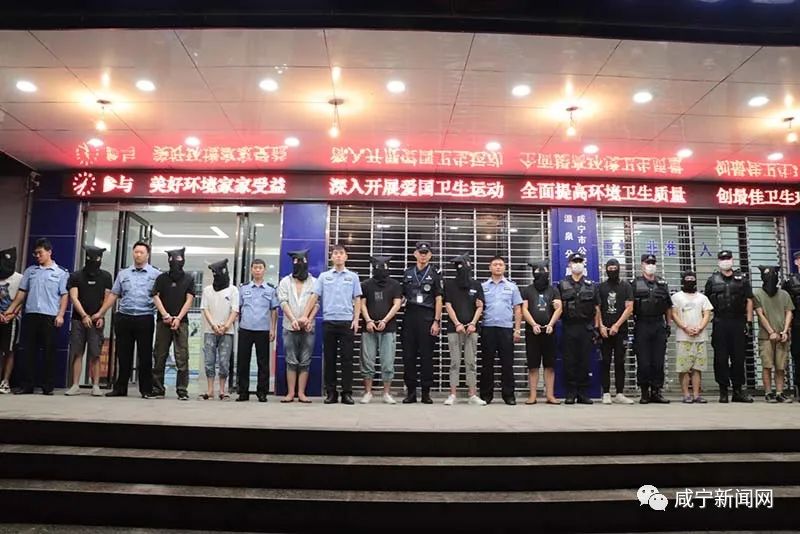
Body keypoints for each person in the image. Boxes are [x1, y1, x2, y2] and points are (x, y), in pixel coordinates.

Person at [93, 241, 160, 398]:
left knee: (145, 355)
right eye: (136, 252)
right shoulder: (123, 274)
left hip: (145, 317)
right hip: (124, 317)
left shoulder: (156, 274)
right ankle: (120, 388)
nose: (138, 255)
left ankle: (146, 389)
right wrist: (101, 313)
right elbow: (114, 294)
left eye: (141, 252)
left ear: (147, 255)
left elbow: (159, 297)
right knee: (123, 355)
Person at [3, 238, 68, 395]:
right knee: (28, 352)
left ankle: (47, 386)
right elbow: (21, 294)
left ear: (49, 252)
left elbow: (64, 295)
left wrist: (61, 315)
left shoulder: (61, 273)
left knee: (49, 352)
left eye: (40, 253)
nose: (37, 256)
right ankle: (27, 385)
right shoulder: (30, 271)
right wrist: (9, 311)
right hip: (31, 315)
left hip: (50, 316)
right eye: (35, 253)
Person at [303, 244, 361, 405]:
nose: (338, 256)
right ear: (331, 257)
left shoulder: (353, 277)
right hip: (329, 322)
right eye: (335, 253)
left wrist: (356, 319)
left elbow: (357, 299)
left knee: (347, 359)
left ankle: (347, 393)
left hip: (347, 322)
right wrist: (305, 316)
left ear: (346, 256)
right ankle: (331, 393)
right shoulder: (324, 277)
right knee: (330, 359)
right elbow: (314, 296)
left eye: (341, 253)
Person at [705, 250, 754, 403]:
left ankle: (738, 390)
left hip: (738, 321)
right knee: (720, 358)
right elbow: (706, 304)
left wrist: (749, 322)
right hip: (720, 322)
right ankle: (723, 390)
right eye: (722, 259)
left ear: (732, 260)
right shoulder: (712, 280)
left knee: (738, 358)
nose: (725, 261)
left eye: (728, 258)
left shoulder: (742, 279)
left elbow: (749, 300)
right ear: (718, 261)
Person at [65, 246, 113, 397]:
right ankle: (75, 385)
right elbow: (74, 297)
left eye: (97, 258)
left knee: (96, 354)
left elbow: (107, 298)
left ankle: (96, 385)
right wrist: (84, 315)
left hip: (97, 320)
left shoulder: (106, 276)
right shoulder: (76, 276)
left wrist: (101, 315)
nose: (93, 261)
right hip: (78, 320)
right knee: (77, 352)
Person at [400, 241, 443, 404]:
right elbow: (402, 296)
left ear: (430, 255)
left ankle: (426, 393)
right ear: (415, 254)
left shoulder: (435, 273)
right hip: (410, 316)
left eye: (426, 253)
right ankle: (411, 393)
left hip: (427, 317)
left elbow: (439, 299)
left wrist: (436, 321)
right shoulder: (407, 272)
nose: (423, 255)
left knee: (427, 357)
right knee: (408, 356)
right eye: (420, 252)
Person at [151, 248, 195, 401]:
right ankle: (158, 389)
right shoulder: (161, 278)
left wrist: (178, 318)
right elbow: (155, 296)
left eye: (178, 259)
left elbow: (189, 300)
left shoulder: (189, 279)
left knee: (182, 356)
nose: (175, 262)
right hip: (163, 321)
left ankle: (182, 390)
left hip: (181, 322)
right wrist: (165, 315)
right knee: (159, 355)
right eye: (172, 259)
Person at [558, 252, 601, 405]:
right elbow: (557, 307)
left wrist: (597, 327)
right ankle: (570, 393)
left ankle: (583, 393)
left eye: (580, 261)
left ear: (584, 264)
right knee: (569, 361)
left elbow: (597, 308)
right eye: (574, 261)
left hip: (586, 327)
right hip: (569, 326)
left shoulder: (591, 285)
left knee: (584, 360)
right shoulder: (562, 284)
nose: (577, 264)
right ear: (569, 264)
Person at [443, 253, 485, 406]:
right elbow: (448, 305)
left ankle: (472, 394)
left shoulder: (476, 285)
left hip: (472, 329)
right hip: (454, 329)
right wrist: (457, 323)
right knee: (454, 362)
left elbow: (480, 306)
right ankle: (452, 394)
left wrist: (473, 323)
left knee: (471, 362)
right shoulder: (449, 285)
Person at [480, 256, 523, 405]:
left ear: (504, 268)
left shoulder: (512, 287)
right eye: (495, 264)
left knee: (507, 363)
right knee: (487, 363)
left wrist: (517, 330)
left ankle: (509, 395)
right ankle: (486, 395)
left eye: (500, 264)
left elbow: (517, 309)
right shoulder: (483, 286)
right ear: (490, 267)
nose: (498, 267)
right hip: (488, 328)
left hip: (506, 329)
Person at [359, 255, 402, 404]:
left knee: (388, 361)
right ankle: (368, 392)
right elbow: (362, 304)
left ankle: (386, 393)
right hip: (368, 328)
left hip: (388, 328)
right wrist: (368, 320)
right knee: (367, 361)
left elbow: (397, 304)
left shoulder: (395, 285)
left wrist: (385, 320)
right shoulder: (366, 284)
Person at [236, 258, 279, 402]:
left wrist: (272, 329)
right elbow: (238, 308)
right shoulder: (243, 288)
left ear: (264, 270)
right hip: (245, 329)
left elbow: (274, 311)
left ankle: (262, 392)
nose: (257, 270)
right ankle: (243, 392)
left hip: (263, 330)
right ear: (251, 270)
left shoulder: (271, 289)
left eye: (260, 268)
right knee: (243, 362)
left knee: (263, 363)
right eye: (255, 267)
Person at [632, 254, 672, 404]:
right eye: (648, 263)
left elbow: (668, 306)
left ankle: (656, 391)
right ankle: (644, 392)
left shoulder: (662, 284)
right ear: (642, 265)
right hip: (642, 324)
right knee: (643, 361)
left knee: (658, 361)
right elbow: (629, 306)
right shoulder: (635, 283)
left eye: (653, 263)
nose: (651, 265)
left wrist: (668, 324)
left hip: (658, 324)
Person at [278, 249, 317, 403]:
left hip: (308, 327)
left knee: (305, 361)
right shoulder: (285, 281)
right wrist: (293, 319)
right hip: (289, 326)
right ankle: (290, 393)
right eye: (296, 261)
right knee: (291, 360)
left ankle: (301, 393)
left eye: (302, 261)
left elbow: (317, 304)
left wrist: (308, 319)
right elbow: (283, 302)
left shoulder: (314, 282)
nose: (299, 264)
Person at [521, 260, 561, 405]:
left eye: (544, 270)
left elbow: (559, 308)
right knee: (533, 366)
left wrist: (551, 324)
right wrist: (533, 324)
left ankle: (550, 395)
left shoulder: (553, 290)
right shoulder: (527, 290)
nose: (542, 273)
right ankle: (532, 396)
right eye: (538, 271)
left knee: (550, 365)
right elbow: (524, 309)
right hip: (532, 332)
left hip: (550, 331)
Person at [671, 270, 713, 404]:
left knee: (697, 368)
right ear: (683, 280)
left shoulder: (702, 298)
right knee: (683, 368)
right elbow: (674, 314)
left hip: (700, 337)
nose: (690, 281)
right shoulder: (676, 297)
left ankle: (696, 395)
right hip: (683, 337)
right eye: (687, 279)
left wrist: (700, 328)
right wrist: (685, 327)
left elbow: (707, 314)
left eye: (692, 279)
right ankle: (686, 394)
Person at [753, 265, 794, 403]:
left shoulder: (784, 294)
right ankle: (768, 392)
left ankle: (779, 392)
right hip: (766, 337)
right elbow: (760, 314)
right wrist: (771, 332)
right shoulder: (757, 294)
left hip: (782, 336)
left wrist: (785, 331)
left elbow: (789, 312)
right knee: (767, 365)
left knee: (781, 367)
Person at [201, 259, 239, 401]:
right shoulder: (207, 290)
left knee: (224, 362)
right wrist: (213, 325)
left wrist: (226, 326)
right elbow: (205, 309)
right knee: (209, 361)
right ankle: (210, 390)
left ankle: (223, 390)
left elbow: (235, 310)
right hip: (210, 331)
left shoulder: (233, 290)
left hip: (227, 331)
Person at [598, 258, 635, 405]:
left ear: (619, 269)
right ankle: (606, 393)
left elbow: (629, 307)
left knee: (620, 362)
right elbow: (597, 308)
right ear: (606, 270)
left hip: (621, 331)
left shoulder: (626, 286)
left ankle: (620, 393)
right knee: (605, 361)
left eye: (615, 268)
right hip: (604, 332)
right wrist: (601, 326)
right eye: (610, 269)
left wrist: (617, 325)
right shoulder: (601, 287)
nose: (612, 271)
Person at [0, 247, 22, 395]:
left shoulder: (20, 278)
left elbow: (22, 299)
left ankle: (5, 381)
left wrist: (12, 314)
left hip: (12, 319)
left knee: (9, 350)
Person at [780, 250, 800, 400]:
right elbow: (785, 306)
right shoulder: (789, 282)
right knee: (798, 356)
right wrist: (787, 328)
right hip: (797, 323)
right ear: (796, 262)